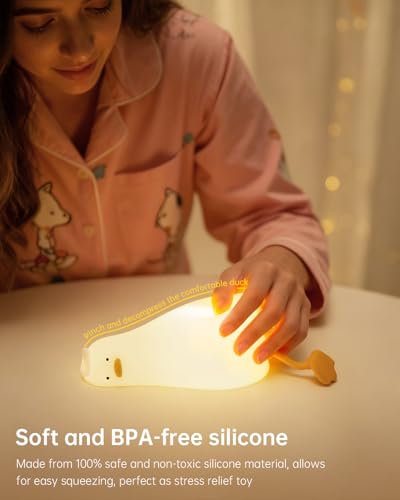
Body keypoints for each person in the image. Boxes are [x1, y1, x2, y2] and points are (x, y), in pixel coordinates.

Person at [0, 0, 330, 364]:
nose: (80, 48)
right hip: (17, 353)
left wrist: (282, 261)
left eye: (99, 7)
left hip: (164, 349)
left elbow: (273, 215)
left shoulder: (194, 56)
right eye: (39, 24)